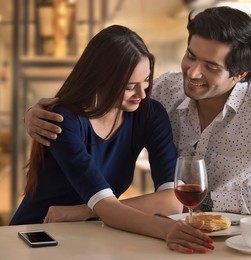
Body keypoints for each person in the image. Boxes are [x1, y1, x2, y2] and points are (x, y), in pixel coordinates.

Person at [24, 7, 251, 216]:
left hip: (245, 234)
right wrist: (37, 113)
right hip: (171, 224)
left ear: (239, 74)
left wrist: (205, 201)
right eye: (191, 55)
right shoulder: (166, 89)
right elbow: (103, 103)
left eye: (211, 67)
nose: (192, 73)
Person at [10, 25, 214, 254]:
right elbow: (105, 206)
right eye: (129, 87)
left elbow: (172, 201)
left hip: (92, 233)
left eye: (146, 80)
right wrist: (165, 229)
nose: (142, 94)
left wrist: (83, 212)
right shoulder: (65, 120)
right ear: (100, 80)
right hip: (36, 235)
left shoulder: (149, 114)